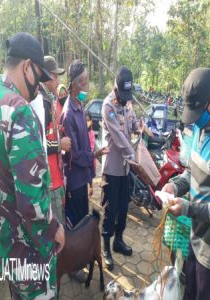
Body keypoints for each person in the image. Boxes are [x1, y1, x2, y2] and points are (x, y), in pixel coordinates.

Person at [0, 32, 65, 300]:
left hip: (5, 243)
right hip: (29, 254)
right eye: (38, 79)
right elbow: (32, 202)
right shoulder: (21, 112)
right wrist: (54, 230)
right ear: (26, 66)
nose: (38, 88)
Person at [162, 68, 210, 300]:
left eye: (198, 115)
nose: (195, 122)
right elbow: (190, 172)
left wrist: (187, 208)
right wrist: (175, 186)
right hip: (195, 240)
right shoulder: (199, 128)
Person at [60, 59, 109, 282]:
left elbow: (87, 144)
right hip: (74, 181)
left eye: (88, 82)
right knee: (75, 226)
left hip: (83, 180)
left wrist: (91, 178)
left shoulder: (81, 108)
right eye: (83, 82)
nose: (86, 87)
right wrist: (95, 156)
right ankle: (72, 268)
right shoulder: (68, 113)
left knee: (83, 224)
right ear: (72, 85)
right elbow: (75, 155)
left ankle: (80, 261)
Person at [101, 66, 137, 271]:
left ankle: (119, 241)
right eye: (122, 95)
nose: (124, 99)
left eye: (127, 95)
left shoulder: (128, 103)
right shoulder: (108, 106)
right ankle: (106, 246)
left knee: (123, 207)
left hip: (125, 169)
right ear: (115, 87)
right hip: (113, 168)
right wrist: (133, 156)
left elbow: (131, 127)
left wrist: (138, 126)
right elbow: (118, 136)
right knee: (110, 209)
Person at [40, 56, 71, 222]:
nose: (58, 80)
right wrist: (60, 144)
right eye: (55, 76)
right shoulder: (42, 102)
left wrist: (57, 132)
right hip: (51, 181)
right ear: (46, 75)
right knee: (58, 231)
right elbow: (39, 143)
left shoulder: (47, 99)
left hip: (56, 177)